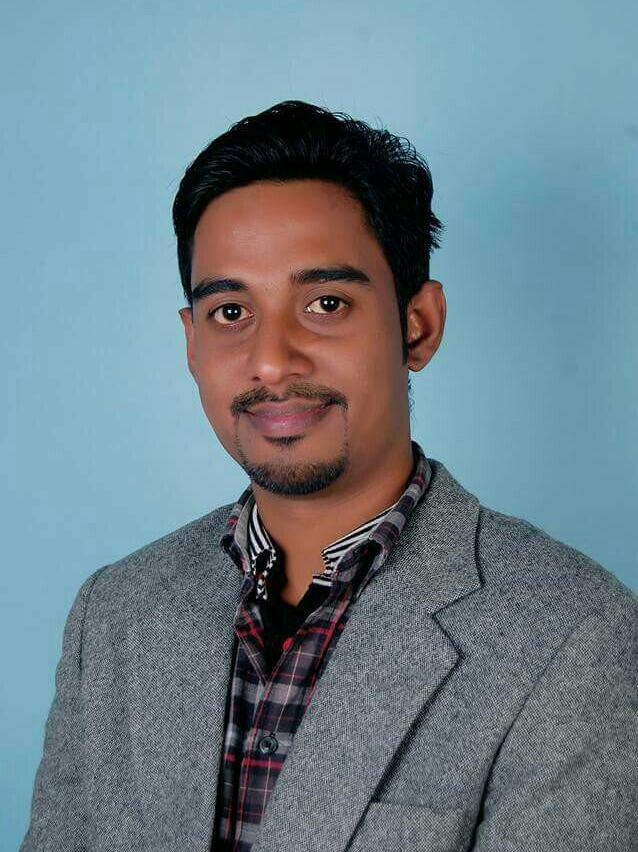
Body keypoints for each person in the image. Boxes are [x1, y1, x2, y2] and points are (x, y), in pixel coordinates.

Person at [21, 100, 637, 852]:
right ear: (191, 343)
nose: (271, 360)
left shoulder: (572, 634)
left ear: (418, 326)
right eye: (230, 312)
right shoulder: (115, 612)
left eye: (325, 303)